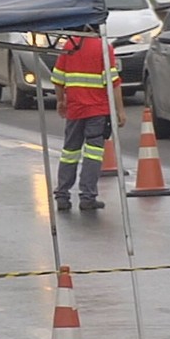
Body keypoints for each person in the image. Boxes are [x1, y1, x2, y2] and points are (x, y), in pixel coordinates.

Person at [51, 35, 126, 211]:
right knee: (93, 154)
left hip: (75, 110)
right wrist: (120, 110)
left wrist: (61, 100)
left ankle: (62, 195)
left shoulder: (70, 45)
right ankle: (87, 196)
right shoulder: (103, 47)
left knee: (69, 151)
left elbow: (58, 78)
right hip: (98, 111)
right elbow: (113, 82)